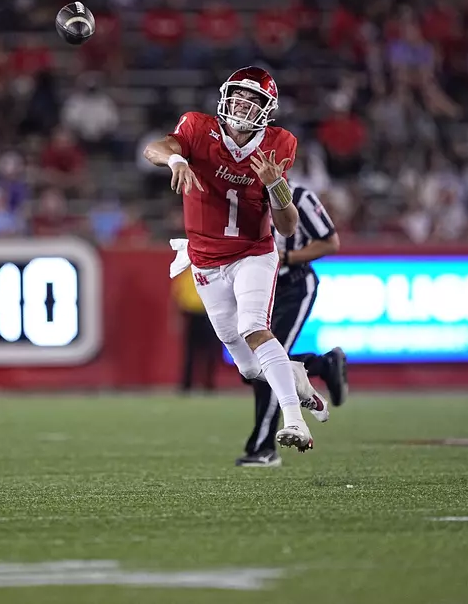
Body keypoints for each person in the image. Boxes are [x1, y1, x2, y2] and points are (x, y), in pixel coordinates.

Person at [143, 66, 316, 452]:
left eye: (253, 98)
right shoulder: (197, 128)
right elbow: (154, 148)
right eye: (239, 94)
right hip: (205, 259)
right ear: (226, 95)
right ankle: (295, 374)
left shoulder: (280, 144)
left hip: (252, 252)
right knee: (248, 366)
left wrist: (277, 186)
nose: (243, 103)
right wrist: (176, 161)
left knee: (254, 326)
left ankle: (295, 422)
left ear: (266, 108)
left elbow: (288, 228)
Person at [237, 182, 349, 467]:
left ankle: (263, 448)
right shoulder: (236, 189)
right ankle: (323, 365)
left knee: (268, 365)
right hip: (257, 286)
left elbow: (329, 241)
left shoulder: (298, 195)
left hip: (292, 285)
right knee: (252, 368)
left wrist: (285, 257)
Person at [172, 270, 217, 392]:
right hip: (192, 314)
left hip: (207, 313)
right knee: (191, 352)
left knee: (209, 351)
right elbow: (177, 296)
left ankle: (208, 383)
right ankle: (188, 383)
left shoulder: (208, 272)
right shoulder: (186, 275)